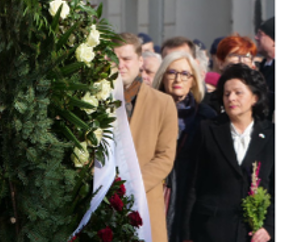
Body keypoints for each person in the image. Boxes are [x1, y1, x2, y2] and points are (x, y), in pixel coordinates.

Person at [171, 65, 273, 242]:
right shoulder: (208, 130)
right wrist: (186, 234)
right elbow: (193, 184)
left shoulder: (270, 134)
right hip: (211, 229)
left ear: (255, 98)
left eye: (238, 93)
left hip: (254, 232)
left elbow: (275, 185)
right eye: (227, 94)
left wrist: (270, 227)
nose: (231, 98)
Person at [111, 36, 177, 242]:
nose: (121, 65)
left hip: (145, 202)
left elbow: (165, 157)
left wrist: (130, 185)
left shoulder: (163, 103)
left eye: (126, 58)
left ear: (140, 61)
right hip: (104, 206)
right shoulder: (96, 101)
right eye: (115, 59)